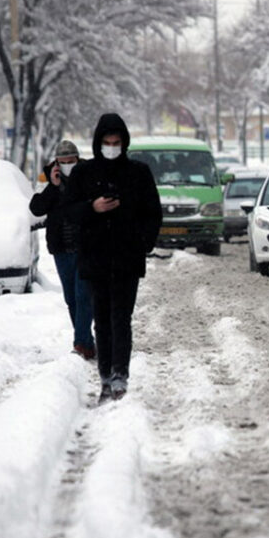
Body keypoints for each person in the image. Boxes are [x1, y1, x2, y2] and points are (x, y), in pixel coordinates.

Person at [64, 114, 162, 400]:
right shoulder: (84, 174)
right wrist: (92, 207)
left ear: (124, 143)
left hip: (127, 258)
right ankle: (106, 374)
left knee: (122, 317)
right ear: (98, 143)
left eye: (116, 143)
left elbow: (153, 212)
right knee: (102, 319)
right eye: (106, 143)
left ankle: (120, 374)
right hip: (95, 258)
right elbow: (68, 212)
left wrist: (144, 242)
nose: (111, 147)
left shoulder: (138, 173)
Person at [29, 140, 95, 360]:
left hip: (86, 246)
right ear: (56, 162)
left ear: (78, 159)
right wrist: (53, 186)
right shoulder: (47, 178)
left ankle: (80, 344)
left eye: (71, 161)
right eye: (63, 162)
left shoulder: (89, 175)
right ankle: (86, 340)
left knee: (83, 294)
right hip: (61, 248)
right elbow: (36, 207)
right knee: (72, 298)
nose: (67, 165)